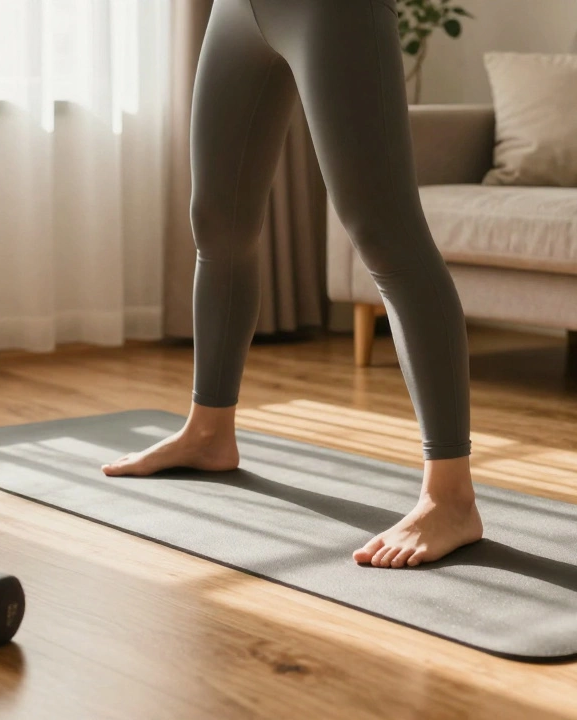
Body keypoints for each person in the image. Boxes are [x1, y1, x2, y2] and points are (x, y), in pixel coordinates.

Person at [103, 0, 482, 568]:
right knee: (217, 221)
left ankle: (450, 497)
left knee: (386, 234)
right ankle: (208, 432)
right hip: (237, 11)